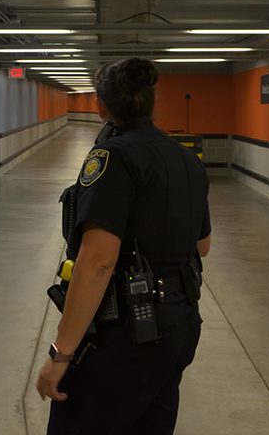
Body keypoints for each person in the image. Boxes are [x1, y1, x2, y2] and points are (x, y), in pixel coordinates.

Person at [36, 58, 212, 435]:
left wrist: (61, 354)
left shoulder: (112, 158)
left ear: (101, 106)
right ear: (153, 102)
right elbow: (203, 244)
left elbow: (98, 261)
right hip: (180, 322)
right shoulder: (187, 159)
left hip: (129, 332)